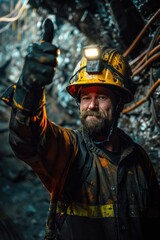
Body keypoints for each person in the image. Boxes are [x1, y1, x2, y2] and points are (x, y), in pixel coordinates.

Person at [1, 33, 160, 240]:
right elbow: (28, 141)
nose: (92, 106)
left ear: (120, 104)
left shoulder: (138, 160)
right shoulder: (70, 150)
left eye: (101, 97)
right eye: (86, 98)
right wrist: (29, 89)